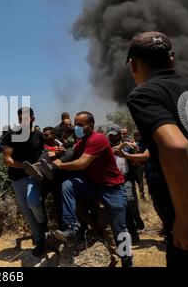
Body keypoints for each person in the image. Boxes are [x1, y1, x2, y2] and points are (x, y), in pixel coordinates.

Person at [126, 31, 188, 266]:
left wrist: (184, 218)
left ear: (133, 65)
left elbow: (176, 147)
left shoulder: (145, 94)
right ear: (171, 58)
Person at [52, 111, 133, 267]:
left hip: (112, 188)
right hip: (94, 186)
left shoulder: (98, 138)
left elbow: (82, 163)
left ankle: (127, 262)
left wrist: (61, 165)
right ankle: (71, 229)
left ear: (91, 125)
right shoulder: (81, 141)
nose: (76, 127)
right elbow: (72, 152)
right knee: (68, 185)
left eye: (80, 125)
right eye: (75, 124)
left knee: (120, 229)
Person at [2, 107, 47, 257]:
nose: (23, 122)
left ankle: (43, 225)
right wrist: (25, 166)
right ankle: (40, 241)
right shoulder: (11, 135)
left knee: (33, 202)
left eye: (26, 119)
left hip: (35, 176)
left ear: (33, 118)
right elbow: (7, 160)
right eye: (20, 119)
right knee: (27, 211)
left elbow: (42, 153)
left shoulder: (38, 135)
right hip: (17, 178)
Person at [107, 124, 145, 243]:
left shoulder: (128, 146)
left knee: (131, 202)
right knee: (122, 206)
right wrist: (123, 145)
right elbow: (113, 151)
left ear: (119, 134)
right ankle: (132, 232)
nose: (112, 137)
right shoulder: (107, 146)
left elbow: (136, 160)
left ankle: (137, 219)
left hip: (127, 178)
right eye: (110, 135)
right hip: (114, 181)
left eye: (115, 135)